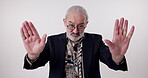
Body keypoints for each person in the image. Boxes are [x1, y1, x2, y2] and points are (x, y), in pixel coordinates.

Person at [20, 5, 135, 78]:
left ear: (86, 24)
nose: (75, 30)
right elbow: (34, 64)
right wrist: (33, 55)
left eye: (81, 26)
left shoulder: (96, 41)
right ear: (64, 22)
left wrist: (117, 56)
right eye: (71, 25)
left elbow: (113, 63)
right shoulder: (53, 42)